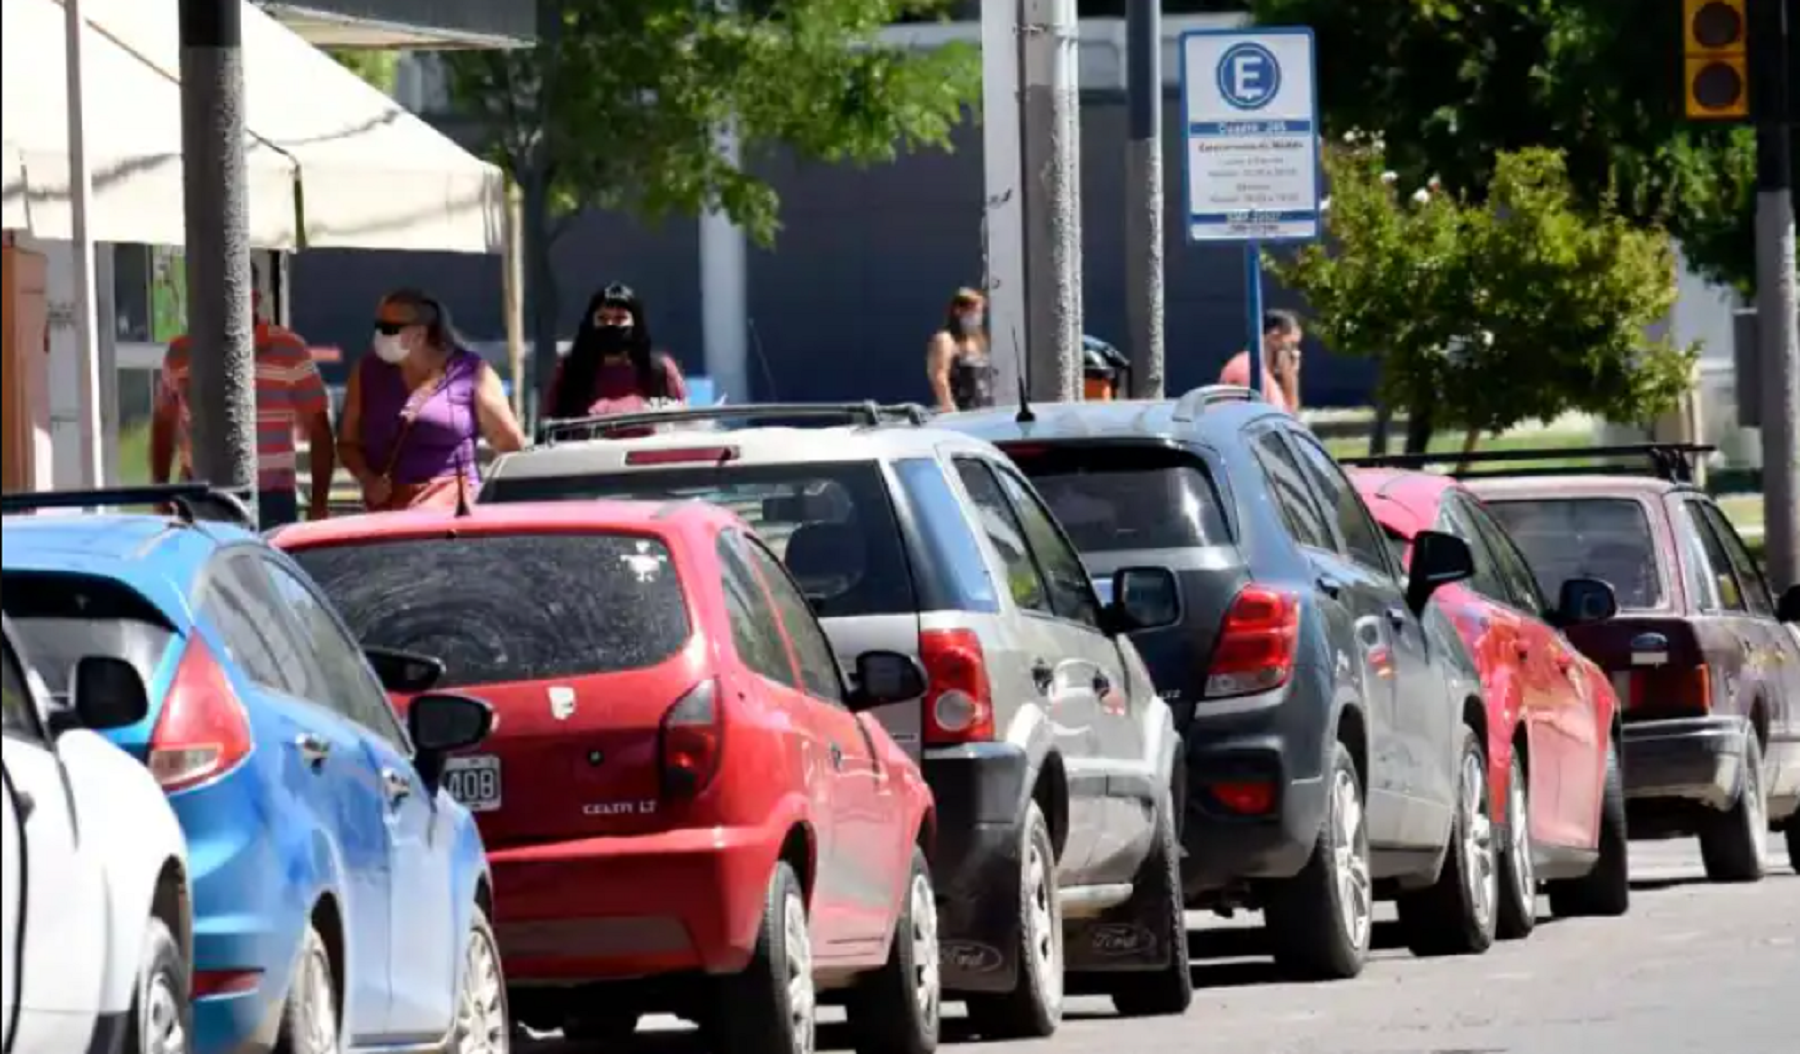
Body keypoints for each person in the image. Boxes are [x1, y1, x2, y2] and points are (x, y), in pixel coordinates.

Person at [149, 280, 333, 527]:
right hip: (198, 495)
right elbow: (163, 423)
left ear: (255, 299)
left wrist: (319, 504)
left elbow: (319, 428)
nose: (220, 306)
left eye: (231, 296)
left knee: (266, 565)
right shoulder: (180, 352)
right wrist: (160, 494)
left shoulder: (289, 350)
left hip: (272, 497)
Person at [337, 288, 525, 512]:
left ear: (419, 334)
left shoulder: (470, 372)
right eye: (378, 326)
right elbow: (347, 444)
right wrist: (367, 479)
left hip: (453, 510)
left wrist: (496, 502)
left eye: (389, 328)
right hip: (389, 512)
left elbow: (511, 444)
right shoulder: (367, 371)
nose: (380, 335)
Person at [543, 283, 687, 421]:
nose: (610, 325)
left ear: (635, 324)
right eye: (602, 319)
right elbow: (550, 423)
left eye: (620, 319)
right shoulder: (571, 370)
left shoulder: (658, 370)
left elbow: (682, 423)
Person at [1220, 309, 1304, 412]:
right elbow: (1286, 421)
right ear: (1275, 337)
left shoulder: (1245, 365)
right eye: (1292, 345)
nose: (1296, 355)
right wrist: (1291, 378)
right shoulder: (1253, 374)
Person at [927, 288, 995, 412]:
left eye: (980, 312)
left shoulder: (978, 339)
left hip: (983, 409)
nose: (978, 317)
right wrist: (948, 406)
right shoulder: (945, 339)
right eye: (974, 312)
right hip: (960, 410)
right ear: (958, 311)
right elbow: (939, 375)